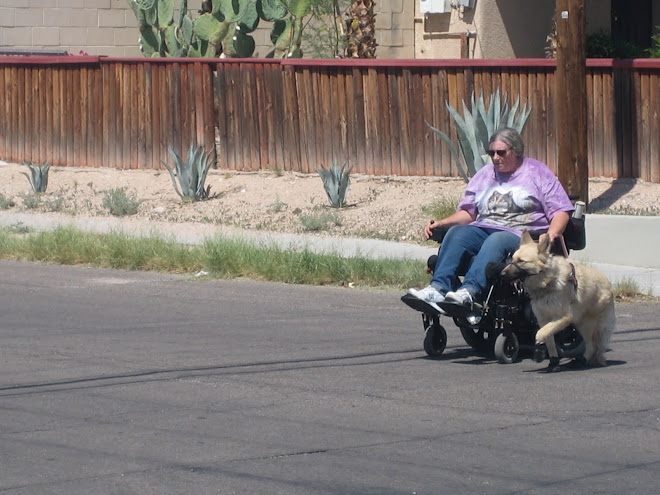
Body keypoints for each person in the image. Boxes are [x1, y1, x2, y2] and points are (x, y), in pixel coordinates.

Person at [408, 127, 574, 312]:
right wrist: (442, 222)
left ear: (516, 151)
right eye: (491, 153)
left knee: (497, 239)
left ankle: (470, 291)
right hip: (484, 227)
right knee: (457, 233)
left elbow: (561, 210)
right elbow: (468, 213)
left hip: (521, 234)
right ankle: (438, 288)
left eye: (501, 152)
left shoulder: (537, 172)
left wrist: (551, 234)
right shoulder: (485, 174)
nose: (495, 157)